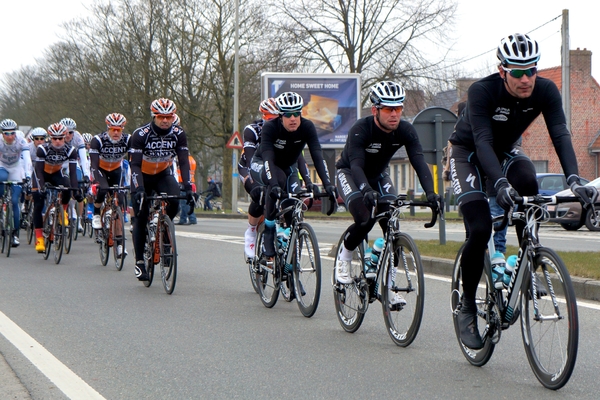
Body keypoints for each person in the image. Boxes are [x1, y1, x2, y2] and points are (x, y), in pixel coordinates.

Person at [448, 33, 598, 350]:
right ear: (502, 71)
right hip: (469, 153)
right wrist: (499, 184)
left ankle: (528, 259)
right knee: (479, 227)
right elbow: (483, 143)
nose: (526, 78)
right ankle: (468, 308)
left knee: (529, 183)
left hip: (506, 151)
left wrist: (575, 179)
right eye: (517, 72)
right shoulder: (482, 91)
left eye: (532, 69)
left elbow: (559, 132)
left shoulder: (545, 89)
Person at [334, 81, 439, 305]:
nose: (394, 114)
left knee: (392, 225)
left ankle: (388, 285)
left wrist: (431, 193)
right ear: (375, 110)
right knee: (364, 218)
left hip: (379, 175)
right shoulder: (361, 129)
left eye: (398, 109)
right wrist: (365, 190)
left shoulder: (405, 130)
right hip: (352, 174)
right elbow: (356, 166)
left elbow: (418, 161)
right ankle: (344, 256)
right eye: (388, 109)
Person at [250, 91, 337, 262]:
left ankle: (291, 264)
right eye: (288, 114)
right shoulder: (271, 127)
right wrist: (274, 185)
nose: (293, 118)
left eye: (297, 113)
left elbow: (317, 156)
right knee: (278, 181)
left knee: (294, 202)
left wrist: (328, 184)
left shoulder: (307, 127)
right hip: (263, 163)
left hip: (288, 167)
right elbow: (268, 158)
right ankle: (268, 230)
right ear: (280, 116)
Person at [238, 97, 314, 260]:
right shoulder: (253, 130)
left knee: (293, 200)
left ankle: (289, 249)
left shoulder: (290, 129)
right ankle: (251, 231)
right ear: (263, 117)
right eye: (271, 119)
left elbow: (299, 158)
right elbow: (251, 160)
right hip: (253, 166)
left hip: (279, 167)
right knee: (260, 195)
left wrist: (307, 182)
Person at [129, 98, 194, 281]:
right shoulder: (141, 134)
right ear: (154, 116)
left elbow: (183, 161)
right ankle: (140, 262)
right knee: (141, 215)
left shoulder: (178, 133)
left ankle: (165, 231)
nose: (165, 120)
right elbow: (134, 165)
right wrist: (139, 188)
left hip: (163, 174)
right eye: (161, 117)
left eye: (169, 116)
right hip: (142, 175)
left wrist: (188, 187)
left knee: (175, 200)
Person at [32, 123, 81, 252]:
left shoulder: (70, 150)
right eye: (55, 138)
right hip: (41, 175)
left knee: (67, 187)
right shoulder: (42, 149)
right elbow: (38, 171)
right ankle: (39, 238)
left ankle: (62, 212)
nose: (58, 141)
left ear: (65, 137)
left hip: (57, 174)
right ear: (50, 138)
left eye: (60, 138)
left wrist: (76, 190)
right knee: (38, 204)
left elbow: (73, 172)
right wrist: (41, 187)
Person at [89, 113, 131, 258]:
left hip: (116, 170)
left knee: (119, 199)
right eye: (113, 129)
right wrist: (96, 180)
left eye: (119, 130)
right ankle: (96, 213)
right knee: (104, 189)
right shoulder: (98, 140)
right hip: (100, 169)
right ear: (108, 128)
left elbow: (134, 161)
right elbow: (93, 164)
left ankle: (119, 245)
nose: (116, 132)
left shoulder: (127, 140)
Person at [0, 119, 33, 247]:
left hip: (16, 167)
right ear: (2, 134)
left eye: (12, 133)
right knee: (2, 178)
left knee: (14, 201)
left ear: (15, 133)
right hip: (2, 166)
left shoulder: (21, 140)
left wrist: (28, 176)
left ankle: (14, 234)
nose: (9, 136)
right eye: (6, 133)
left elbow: (27, 159)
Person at [176, 154, 197, 225]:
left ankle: (191, 218)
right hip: (190, 182)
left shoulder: (183, 159)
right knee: (186, 202)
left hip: (183, 182)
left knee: (184, 203)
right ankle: (183, 218)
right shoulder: (192, 159)